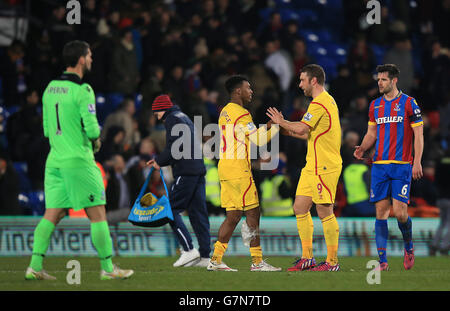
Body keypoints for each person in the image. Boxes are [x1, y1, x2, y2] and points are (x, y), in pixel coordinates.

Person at [25, 40, 133, 280]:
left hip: (54, 160)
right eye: (90, 55)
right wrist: (94, 141)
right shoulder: (83, 90)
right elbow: (93, 129)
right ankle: (108, 269)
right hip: (78, 160)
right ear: (82, 59)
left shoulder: (50, 88)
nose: (92, 59)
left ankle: (34, 266)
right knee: (98, 215)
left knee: (52, 214)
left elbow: (46, 129)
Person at [266, 64, 342, 271]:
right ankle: (307, 257)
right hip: (313, 165)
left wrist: (282, 121)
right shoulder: (323, 102)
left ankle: (332, 262)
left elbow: (302, 127)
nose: (300, 85)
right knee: (300, 207)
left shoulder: (320, 103)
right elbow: (307, 132)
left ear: (313, 81)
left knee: (324, 209)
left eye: (302, 80)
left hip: (325, 165)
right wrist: (286, 130)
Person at [354, 64, 424, 271]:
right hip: (379, 166)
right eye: (378, 79)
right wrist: (362, 148)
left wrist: (417, 161)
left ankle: (409, 247)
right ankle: (383, 261)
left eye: (383, 79)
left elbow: (419, 135)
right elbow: (372, 134)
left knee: (401, 213)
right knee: (381, 212)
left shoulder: (410, 103)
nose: (379, 83)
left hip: (402, 165)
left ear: (394, 81)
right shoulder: (375, 106)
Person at [208, 75, 281, 272]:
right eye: (248, 88)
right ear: (238, 91)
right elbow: (258, 140)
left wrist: (266, 125)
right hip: (240, 169)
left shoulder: (225, 112)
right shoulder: (242, 113)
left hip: (225, 167)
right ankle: (257, 262)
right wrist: (277, 125)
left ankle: (215, 259)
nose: (251, 91)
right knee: (253, 212)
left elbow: (246, 134)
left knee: (232, 216)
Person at [146, 94, 211, 268]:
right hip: (197, 169)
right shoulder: (184, 117)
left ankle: (189, 250)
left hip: (185, 171)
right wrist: (161, 160)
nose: (156, 116)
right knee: (198, 214)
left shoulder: (172, 119)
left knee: (170, 209)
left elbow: (174, 147)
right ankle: (205, 256)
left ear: (162, 110)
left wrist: (159, 161)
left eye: (156, 113)